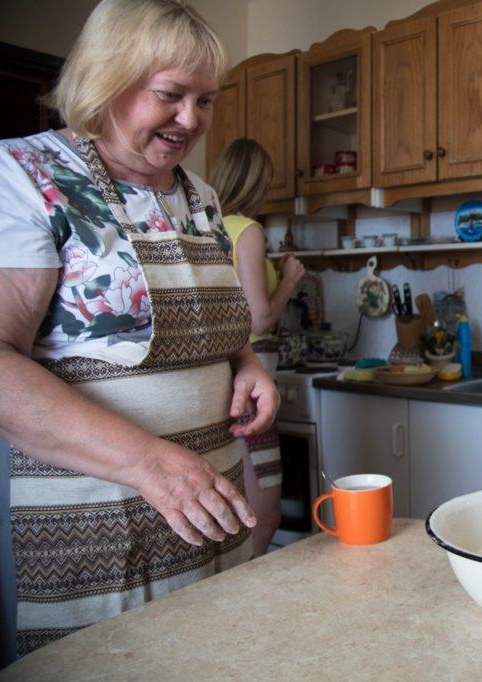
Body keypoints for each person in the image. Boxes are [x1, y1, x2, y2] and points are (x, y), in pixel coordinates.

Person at [0, 0, 279, 656]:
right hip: (99, 519)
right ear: (106, 78)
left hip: (211, 505)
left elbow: (214, 324)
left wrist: (246, 364)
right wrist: (149, 462)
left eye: (205, 100)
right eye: (171, 96)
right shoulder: (28, 177)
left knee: (217, 657)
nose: (192, 121)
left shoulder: (200, 197)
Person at [210, 138, 305, 556]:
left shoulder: (208, 227)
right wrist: (288, 280)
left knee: (237, 508)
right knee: (263, 513)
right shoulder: (248, 231)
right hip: (251, 383)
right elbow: (259, 319)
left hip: (223, 378)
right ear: (255, 181)